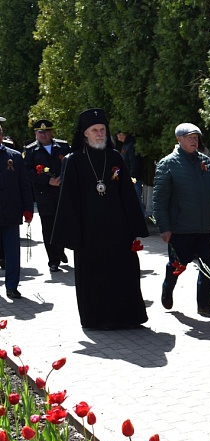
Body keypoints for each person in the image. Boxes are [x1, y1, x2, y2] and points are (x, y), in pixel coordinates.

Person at [51, 108, 149, 330]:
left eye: (102, 129)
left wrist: (135, 227)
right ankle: (96, 319)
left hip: (118, 230)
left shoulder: (114, 158)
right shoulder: (74, 160)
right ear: (85, 133)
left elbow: (127, 194)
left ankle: (128, 317)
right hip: (89, 232)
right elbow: (68, 200)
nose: (99, 134)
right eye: (94, 130)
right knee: (94, 278)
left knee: (124, 272)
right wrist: (71, 234)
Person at [153, 123, 210, 317]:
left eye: (196, 138)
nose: (194, 141)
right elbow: (159, 199)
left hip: (207, 226)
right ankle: (168, 287)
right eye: (190, 137)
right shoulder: (168, 164)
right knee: (178, 265)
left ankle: (204, 305)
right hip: (181, 227)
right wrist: (164, 227)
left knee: (208, 266)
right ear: (179, 139)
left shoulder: (206, 162)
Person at [24, 119, 71, 272]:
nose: (43, 135)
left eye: (46, 132)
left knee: (63, 224)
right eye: (40, 132)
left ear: (52, 132)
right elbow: (28, 172)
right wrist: (47, 180)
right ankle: (53, 260)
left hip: (63, 193)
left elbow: (71, 165)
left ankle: (60, 249)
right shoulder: (31, 151)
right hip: (44, 194)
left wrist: (62, 178)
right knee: (48, 228)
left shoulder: (63, 147)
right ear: (35, 134)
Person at [0, 116, 33, 299]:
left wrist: (28, 208)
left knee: (12, 252)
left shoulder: (14, 156)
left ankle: (12, 286)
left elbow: (24, 185)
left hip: (10, 211)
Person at [117, 131, 144, 214]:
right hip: (127, 177)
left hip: (133, 178)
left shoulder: (130, 146)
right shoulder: (125, 145)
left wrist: (132, 177)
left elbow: (134, 163)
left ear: (122, 135)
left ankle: (140, 216)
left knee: (136, 199)